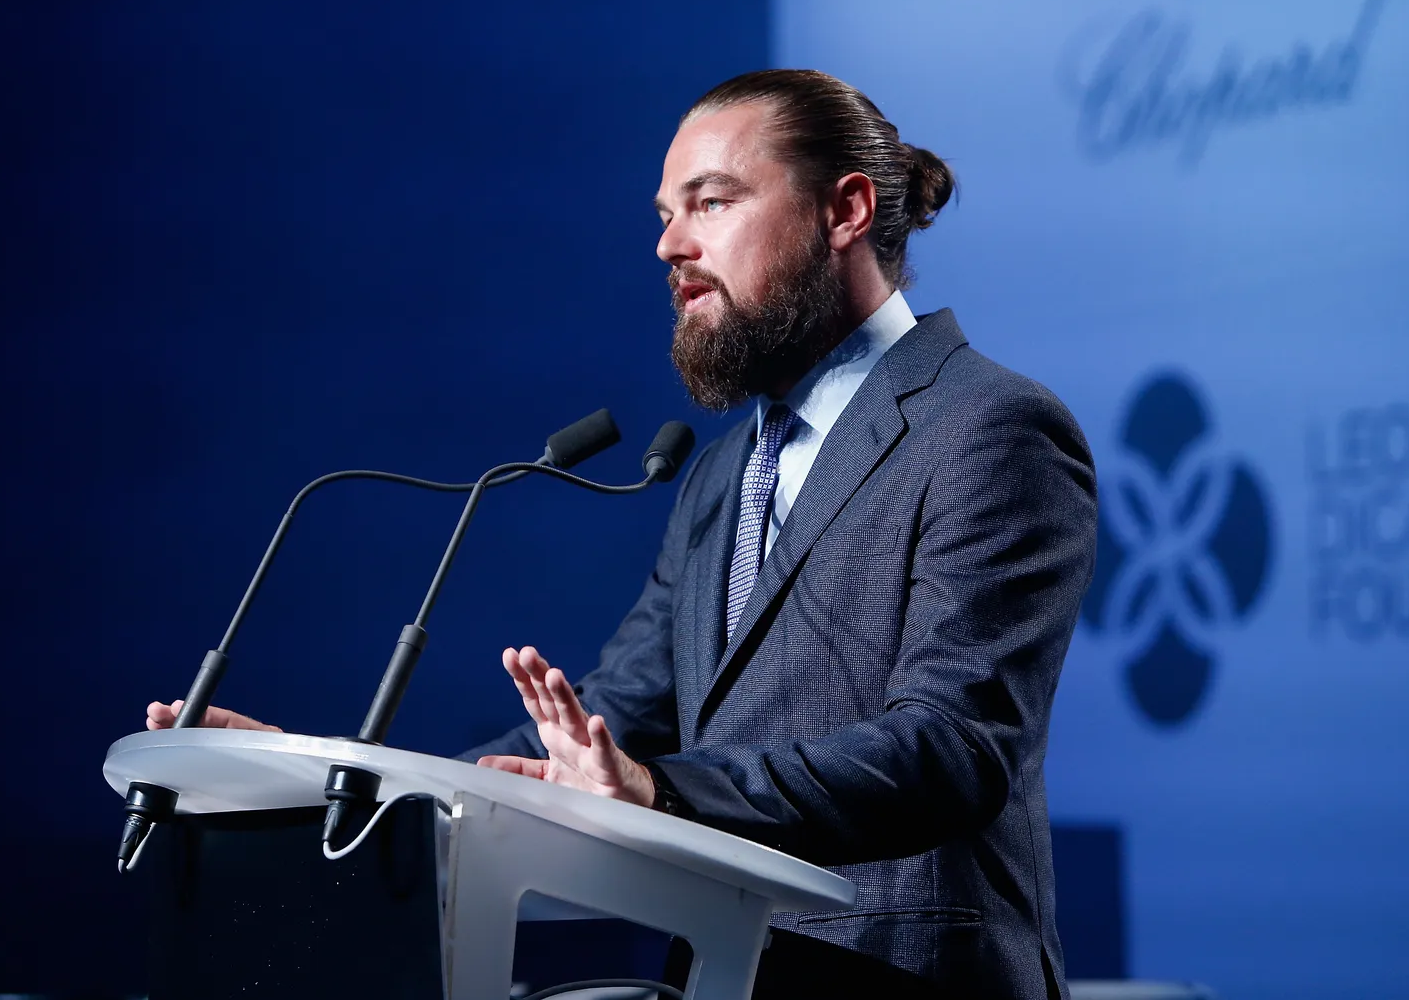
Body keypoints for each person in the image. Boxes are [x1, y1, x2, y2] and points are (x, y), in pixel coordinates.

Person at [148, 69, 1098, 1000]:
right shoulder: (722, 474)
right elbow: (598, 734)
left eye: (711, 202)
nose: (669, 246)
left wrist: (661, 792)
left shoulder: (989, 427)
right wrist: (342, 788)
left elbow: (952, 748)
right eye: (662, 215)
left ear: (844, 211)